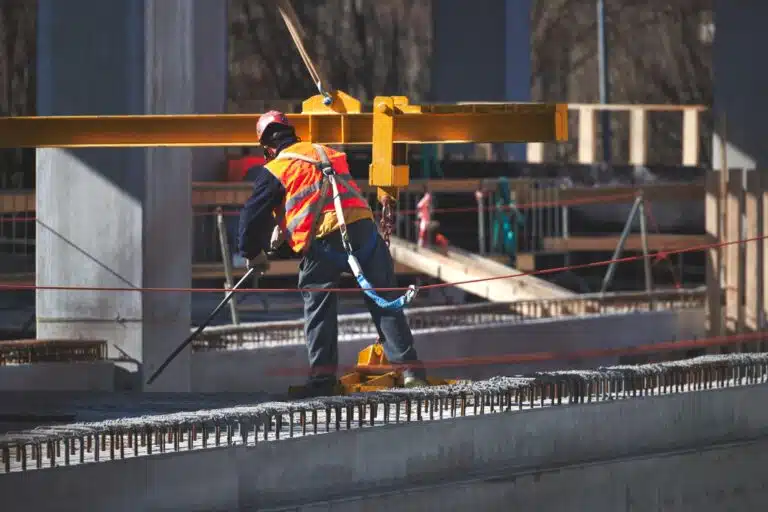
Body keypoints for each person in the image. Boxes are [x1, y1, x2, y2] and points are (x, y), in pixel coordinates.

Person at [237, 110, 428, 397]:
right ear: (292, 134)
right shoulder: (326, 152)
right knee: (384, 299)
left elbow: (252, 216)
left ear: (267, 146)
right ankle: (411, 373)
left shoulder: (276, 168)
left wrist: (253, 253)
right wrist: (285, 229)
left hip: (325, 239)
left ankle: (322, 382)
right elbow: (320, 194)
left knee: (319, 306)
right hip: (363, 229)